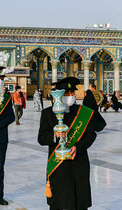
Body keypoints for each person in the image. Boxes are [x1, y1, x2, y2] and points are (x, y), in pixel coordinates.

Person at [38, 77, 97, 210]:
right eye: (67, 93)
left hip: (78, 163)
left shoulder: (82, 112)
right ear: (58, 94)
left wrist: (78, 147)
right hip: (58, 165)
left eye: (72, 93)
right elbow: (41, 138)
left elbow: (91, 134)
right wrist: (54, 135)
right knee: (59, 201)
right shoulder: (47, 113)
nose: (71, 96)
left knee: (79, 202)